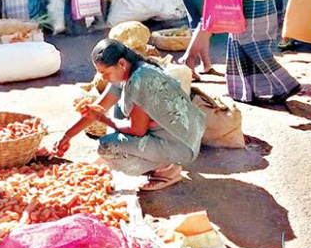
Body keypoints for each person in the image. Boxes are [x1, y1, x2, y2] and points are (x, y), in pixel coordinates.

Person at [53, 39, 205, 192]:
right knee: (118, 108)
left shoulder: (140, 80)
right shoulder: (127, 70)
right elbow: (99, 107)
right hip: (175, 133)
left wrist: (102, 118)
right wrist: (67, 136)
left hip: (180, 144)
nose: (104, 78)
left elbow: (136, 130)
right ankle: (156, 160)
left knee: (106, 146)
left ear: (121, 63)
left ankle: (167, 168)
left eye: (106, 73)